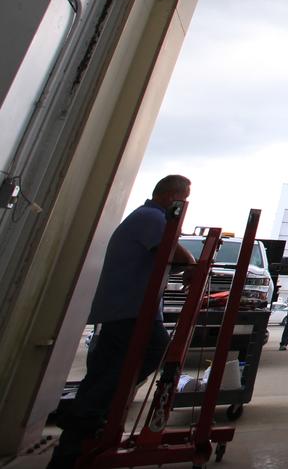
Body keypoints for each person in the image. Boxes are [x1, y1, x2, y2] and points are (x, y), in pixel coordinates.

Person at [50, 175, 196, 468]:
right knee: (154, 350)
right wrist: (192, 264)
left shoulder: (144, 218)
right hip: (130, 312)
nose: (184, 205)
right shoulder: (151, 218)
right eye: (183, 198)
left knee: (104, 372)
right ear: (170, 197)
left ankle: (72, 448)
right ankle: (88, 412)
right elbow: (175, 254)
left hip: (121, 311)